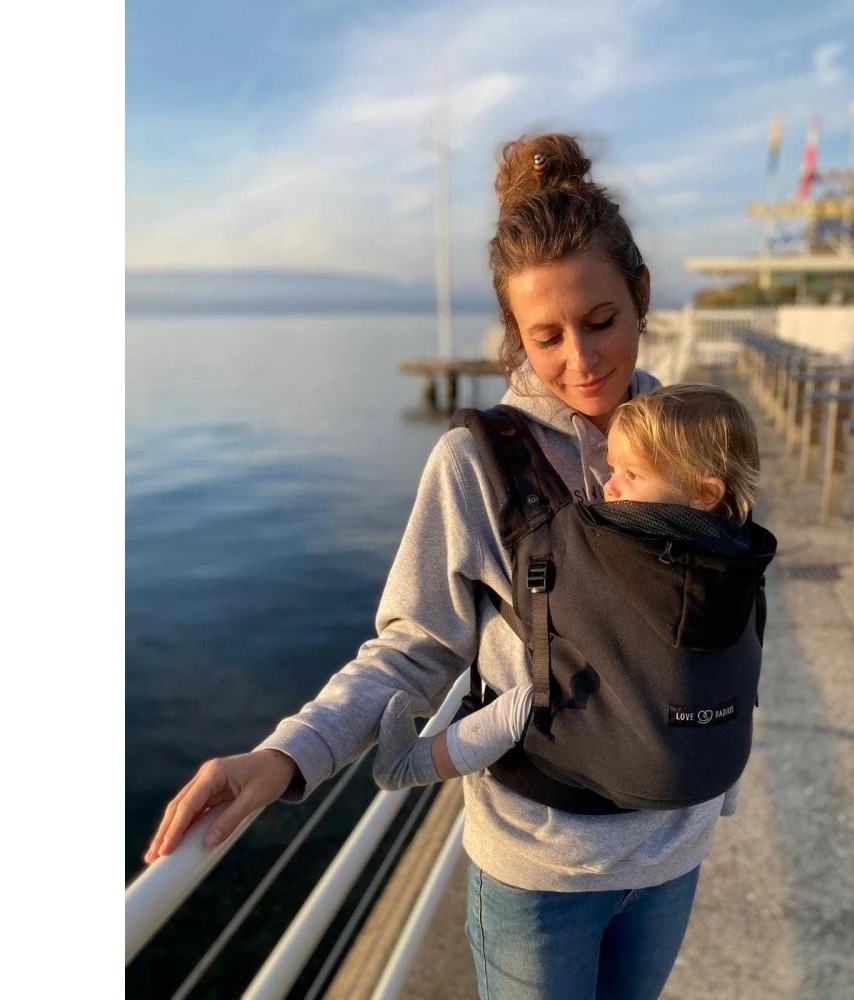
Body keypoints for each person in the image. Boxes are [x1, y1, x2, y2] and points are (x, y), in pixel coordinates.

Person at [144, 133, 752, 999]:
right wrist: (285, 756)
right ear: (514, 336)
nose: (581, 360)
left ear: (642, 294)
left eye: (601, 321)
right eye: (546, 336)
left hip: (675, 850)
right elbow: (414, 649)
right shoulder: (478, 463)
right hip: (539, 874)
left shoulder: (691, 435)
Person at [372, 383, 767, 797]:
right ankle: (726, 798)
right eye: (612, 469)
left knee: (520, 706)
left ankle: (409, 766)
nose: (609, 487)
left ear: (705, 493)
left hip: (621, 762)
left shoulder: (627, 550)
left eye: (631, 475)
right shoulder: (740, 556)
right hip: (717, 766)